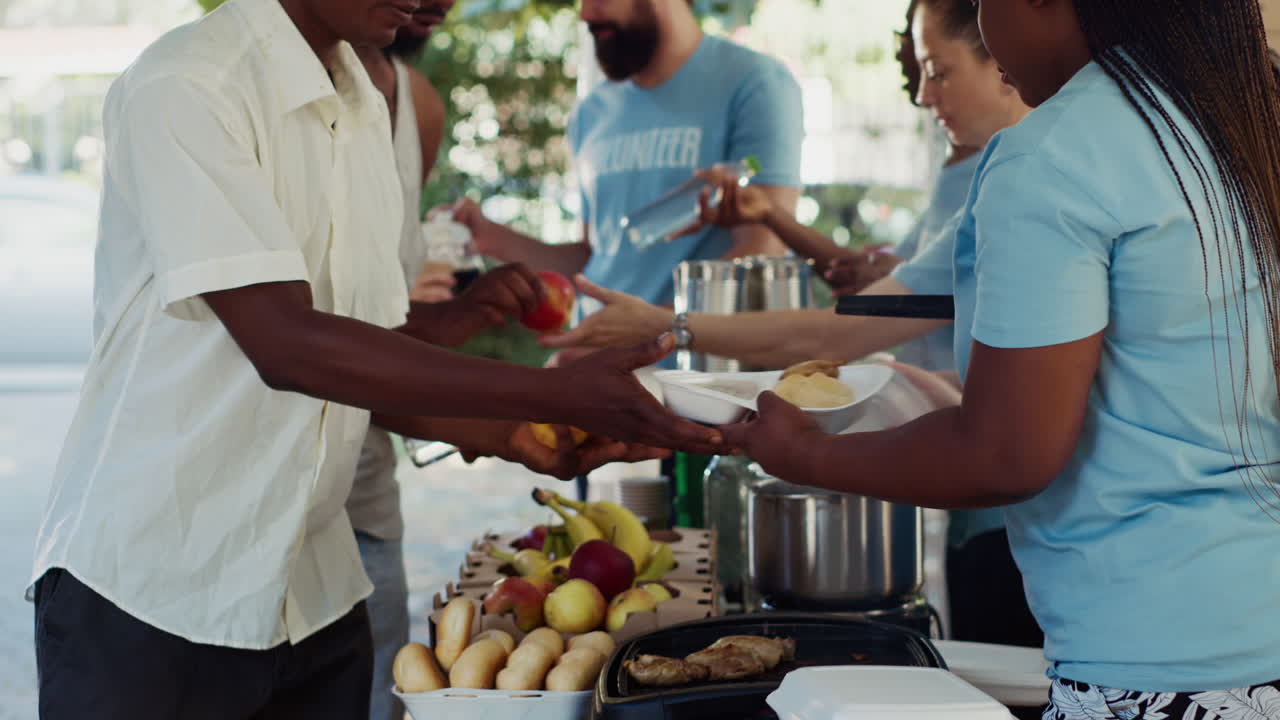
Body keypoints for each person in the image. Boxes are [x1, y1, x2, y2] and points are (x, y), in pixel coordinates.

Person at [28, 0, 721, 717]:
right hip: (154, 596)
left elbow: (359, 348)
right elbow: (288, 344)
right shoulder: (187, 85)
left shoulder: (359, 100)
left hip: (316, 590)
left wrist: (502, 433)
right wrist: (544, 396)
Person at [719, 0, 1280, 716]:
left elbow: (1008, 453)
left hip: (1159, 660)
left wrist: (803, 455)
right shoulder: (1244, 117)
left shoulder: (1056, 151)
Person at [544, 0, 1041, 650]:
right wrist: (771, 220)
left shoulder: (1025, 181)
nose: (923, 95)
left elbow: (841, 331)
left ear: (1002, 65)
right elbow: (871, 289)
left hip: (1025, 517)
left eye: (938, 72)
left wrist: (672, 325)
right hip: (991, 515)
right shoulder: (985, 180)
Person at [448, 0, 804, 311]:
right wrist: (490, 237)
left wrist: (641, 336)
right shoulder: (593, 112)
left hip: (697, 376)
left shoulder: (754, 83)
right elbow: (595, 258)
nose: (586, 13)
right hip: (602, 365)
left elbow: (761, 253)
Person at [352, 6, 452, 720]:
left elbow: (380, 318)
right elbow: (287, 339)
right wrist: (507, 418)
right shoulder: (210, 85)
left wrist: (464, 315)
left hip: (361, 499)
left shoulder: (416, 103)